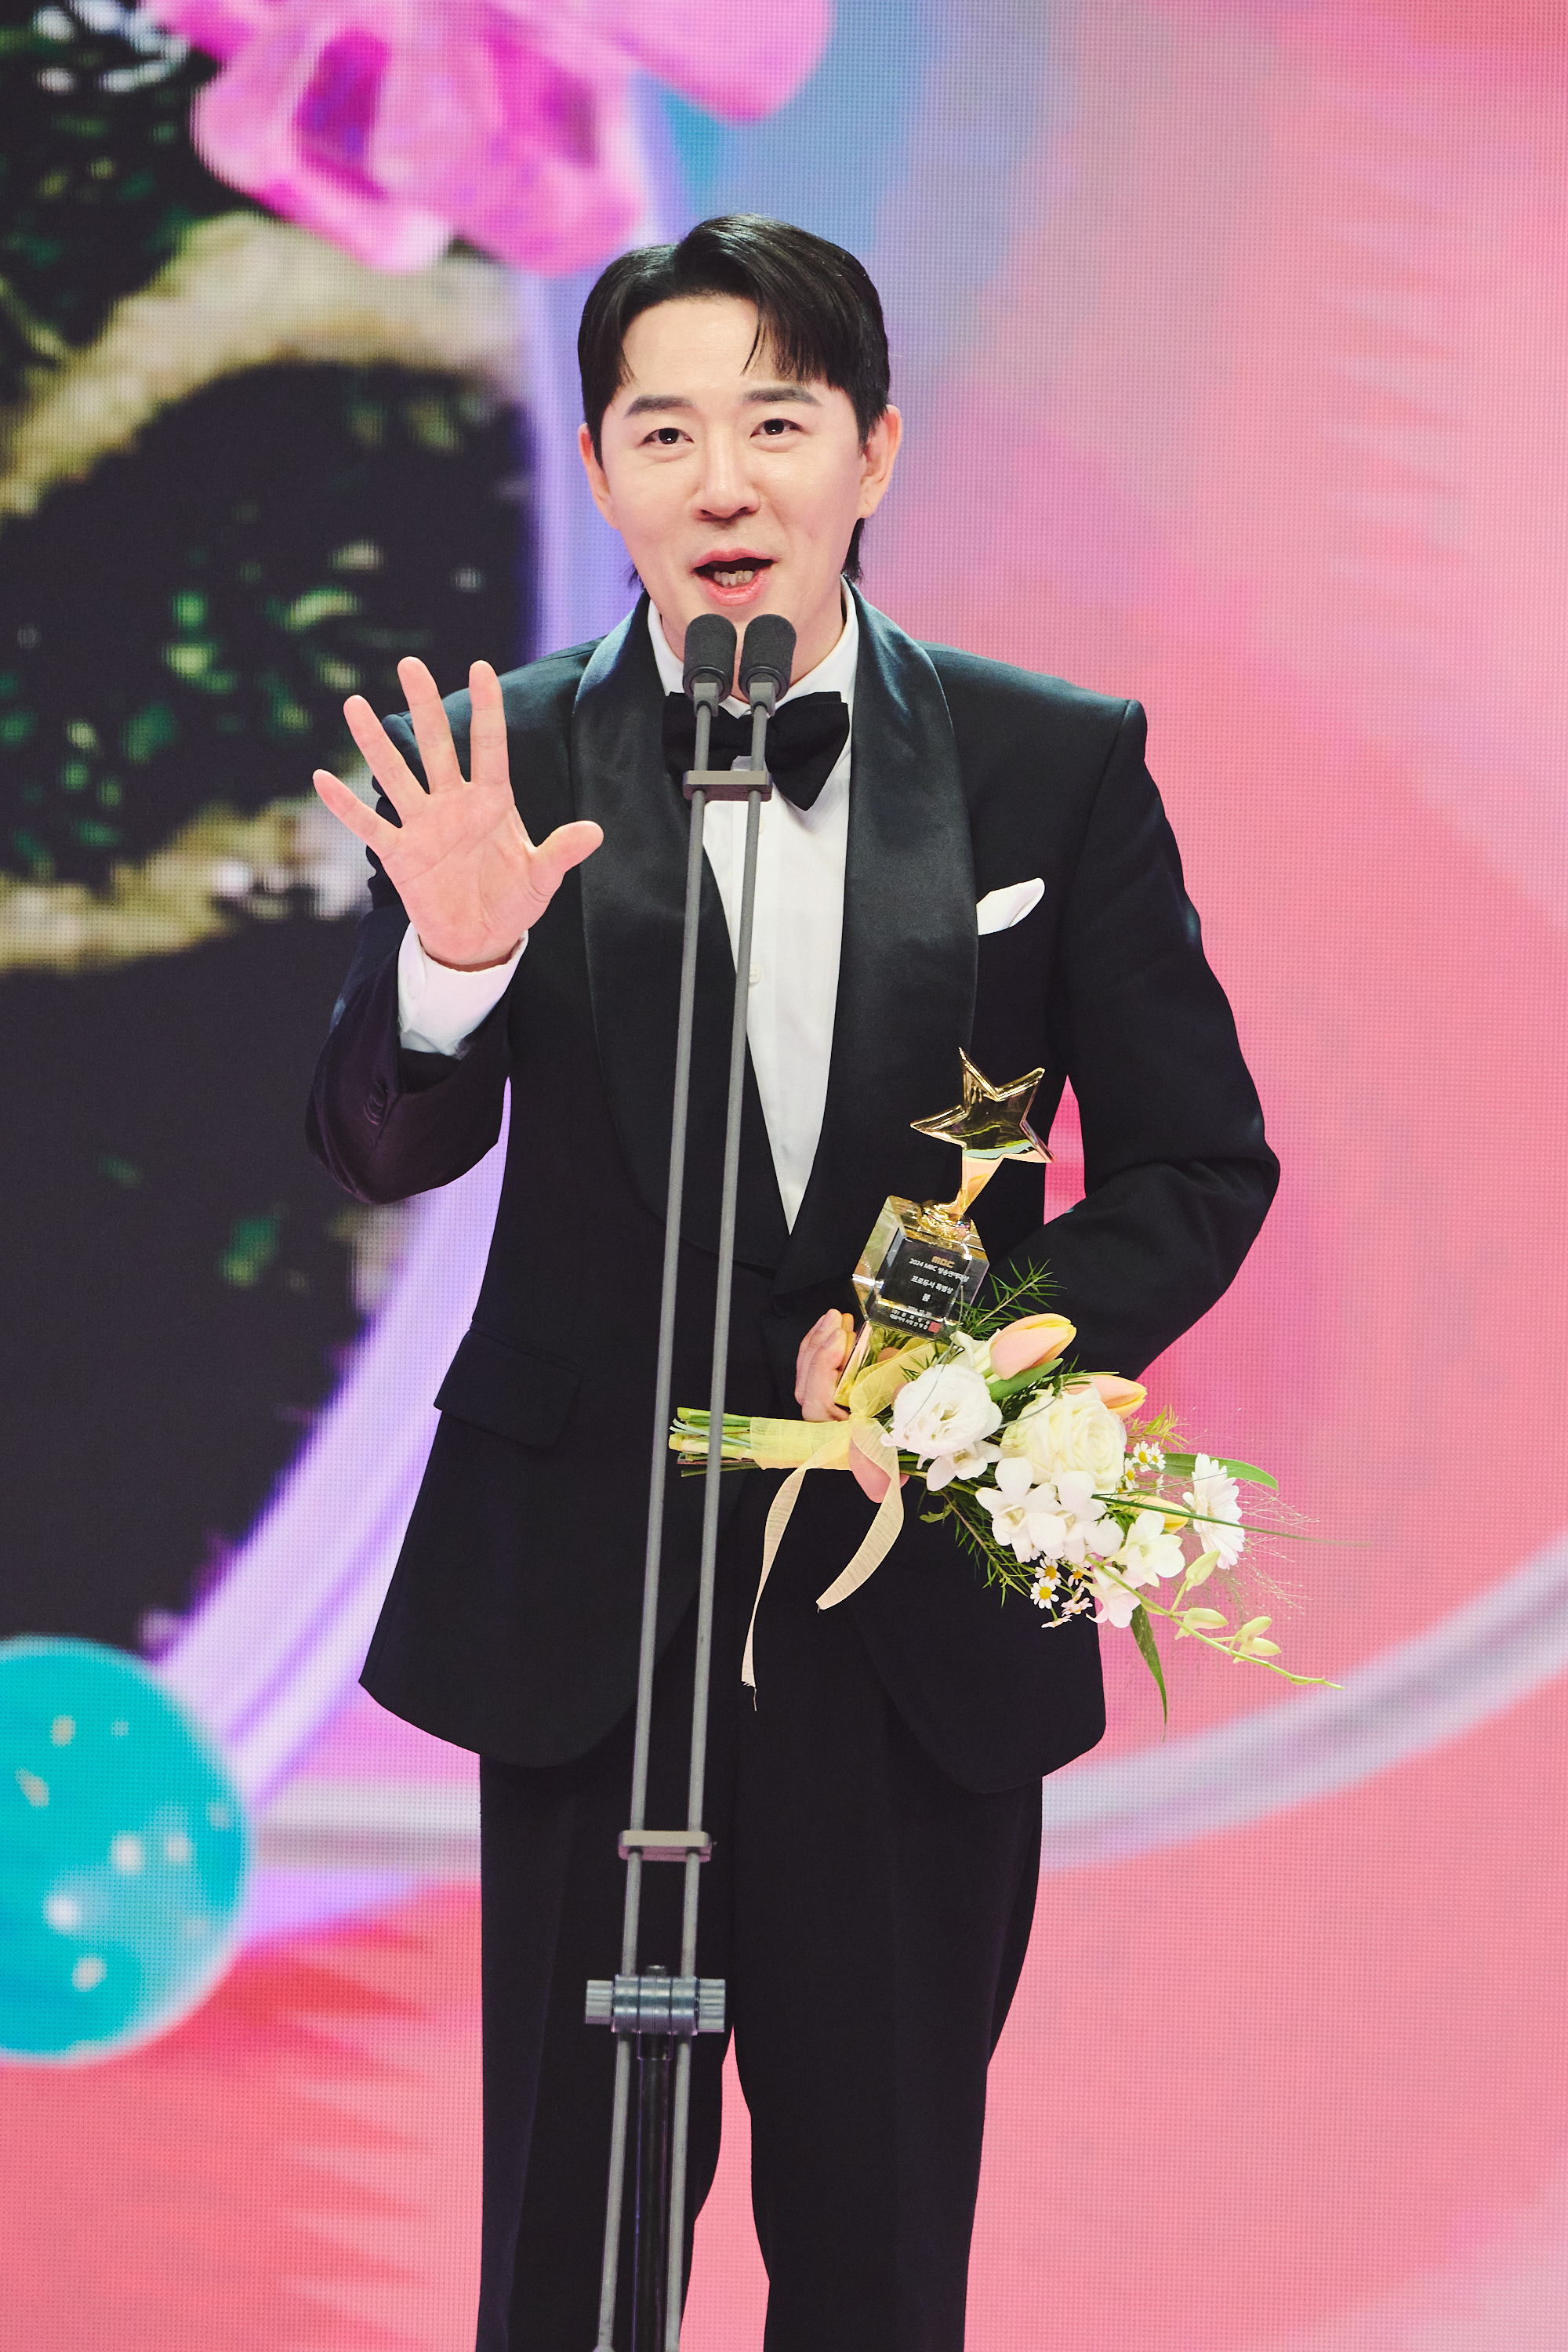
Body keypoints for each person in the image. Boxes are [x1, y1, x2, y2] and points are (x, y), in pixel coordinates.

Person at [307, 215, 1278, 2351]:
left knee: (877, 2257)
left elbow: (1201, 1166)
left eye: (777, 422)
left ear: (874, 451)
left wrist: (964, 1350)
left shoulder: (1048, 764)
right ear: (596, 471)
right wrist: (452, 964)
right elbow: (378, 1141)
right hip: (592, 1607)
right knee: (570, 2267)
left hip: (909, 1614)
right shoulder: (504, 763)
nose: (723, 480)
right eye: (665, 432)